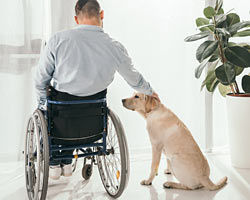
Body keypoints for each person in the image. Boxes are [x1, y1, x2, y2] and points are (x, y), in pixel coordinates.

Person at [35, 0, 160, 180]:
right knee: (75, 112)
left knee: (54, 110)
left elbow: (41, 79)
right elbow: (134, 79)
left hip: (61, 115)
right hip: (93, 121)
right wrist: (150, 92)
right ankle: (68, 161)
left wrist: (42, 104)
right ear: (101, 15)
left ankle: (55, 163)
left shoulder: (58, 40)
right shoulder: (115, 47)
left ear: (76, 19)